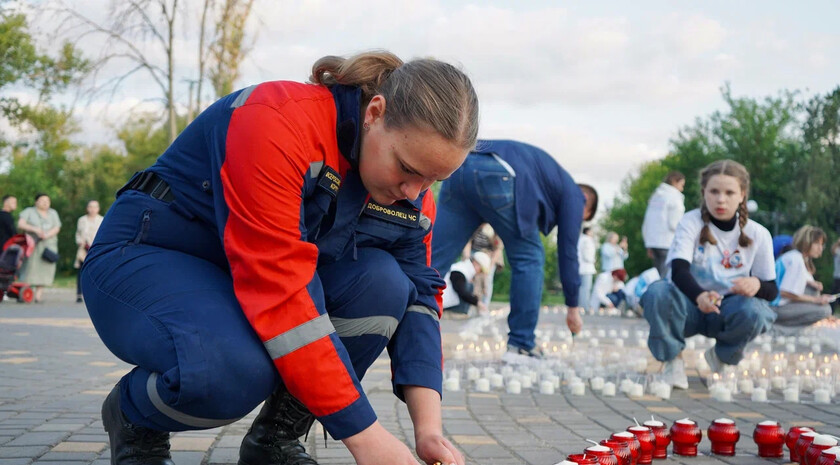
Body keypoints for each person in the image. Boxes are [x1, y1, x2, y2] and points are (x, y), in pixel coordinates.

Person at [80, 51, 479, 465]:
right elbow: (281, 291)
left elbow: (420, 301)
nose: (416, 192)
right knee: (231, 372)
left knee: (384, 284)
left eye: (434, 179)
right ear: (374, 113)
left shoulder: (412, 195)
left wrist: (429, 431)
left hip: (241, 281)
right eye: (407, 168)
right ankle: (134, 417)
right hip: (148, 254)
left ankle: (275, 442)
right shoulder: (277, 120)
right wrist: (366, 438)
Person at [431, 139, 598, 362]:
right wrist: (573, 307)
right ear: (586, 203)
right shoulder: (575, 196)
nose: (577, 221)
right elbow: (567, 252)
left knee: (433, 258)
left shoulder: (551, 178)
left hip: (461, 165)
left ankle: (399, 322)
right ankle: (520, 345)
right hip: (499, 173)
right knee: (530, 257)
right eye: (582, 218)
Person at [640, 160, 777, 390]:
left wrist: (756, 284)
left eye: (729, 192)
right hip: (689, 307)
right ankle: (672, 361)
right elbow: (679, 270)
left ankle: (722, 357)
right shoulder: (690, 221)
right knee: (657, 291)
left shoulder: (758, 233)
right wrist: (700, 296)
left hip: (727, 311)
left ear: (742, 195)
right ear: (704, 192)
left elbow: (772, 289)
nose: (721, 199)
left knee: (757, 311)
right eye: (714, 191)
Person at [770, 225, 832, 331]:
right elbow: (784, 292)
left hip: (774, 305)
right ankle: (778, 330)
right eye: (817, 243)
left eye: (822, 245)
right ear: (806, 242)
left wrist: (809, 283)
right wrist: (816, 300)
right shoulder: (796, 260)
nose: (820, 248)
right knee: (825, 310)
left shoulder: (794, 256)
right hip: (774, 307)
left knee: (814, 290)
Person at [17, 193, 61, 303]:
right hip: (33, 244)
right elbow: (21, 224)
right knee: (30, 267)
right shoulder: (29, 211)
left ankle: (38, 295)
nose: (45, 202)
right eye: (42, 200)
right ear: (36, 202)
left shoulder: (53, 213)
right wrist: (35, 229)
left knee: (46, 269)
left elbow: (57, 227)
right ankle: (27, 292)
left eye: (47, 200)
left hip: (49, 244)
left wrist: (47, 234)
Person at [642, 171, 686, 277]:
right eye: (682, 185)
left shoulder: (656, 196)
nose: (682, 189)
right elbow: (674, 224)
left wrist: (648, 243)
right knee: (667, 275)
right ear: (675, 182)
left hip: (653, 242)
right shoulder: (674, 197)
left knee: (658, 274)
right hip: (667, 241)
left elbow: (647, 221)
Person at [463, 224, 504, 308]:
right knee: (469, 278)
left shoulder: (495, 226)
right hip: (474, 253)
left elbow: (498, 249)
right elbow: (468, 241)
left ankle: (484, 305)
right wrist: (467, 259)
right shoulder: (474, 223)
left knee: (487, 279)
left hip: (489, 255)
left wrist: (490, 266)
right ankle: (468, 305)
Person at [441, 251, 491, 317]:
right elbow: (461, 291)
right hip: (445, 302)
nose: (480, 272)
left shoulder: (462, 268)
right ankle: (458, 312)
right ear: (476, 263)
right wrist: (478, 303)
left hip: (445, 301)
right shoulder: (459, 270)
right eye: (481, 270)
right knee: (469, 287)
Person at [74, 200, 103, 303]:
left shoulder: (102, 220)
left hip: (96, 250)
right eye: (90, 207)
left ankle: (96, 293)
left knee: (96, 272)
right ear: (87, 208)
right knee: (81, 272)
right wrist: (79, 242)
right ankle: (79, 294)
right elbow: (78, 234)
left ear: (98, 208)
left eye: (95, 207)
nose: (92, 209)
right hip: (83, 249)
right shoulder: (82, 220)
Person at [577, 227, 597, 312]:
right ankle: (585, 306)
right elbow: (587, 254)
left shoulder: (581, 239)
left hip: (581, 267)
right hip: (587, 267)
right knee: (586, 288)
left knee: (581, 288)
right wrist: (593, 260)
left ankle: (580, 306)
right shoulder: (588, 240)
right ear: (588, 232)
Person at [832, 237, 840, 313]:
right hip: (838, 277)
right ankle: (832, 311)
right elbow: (833, 250)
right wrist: (838, 242)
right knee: (835, 295)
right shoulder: (837, 250)